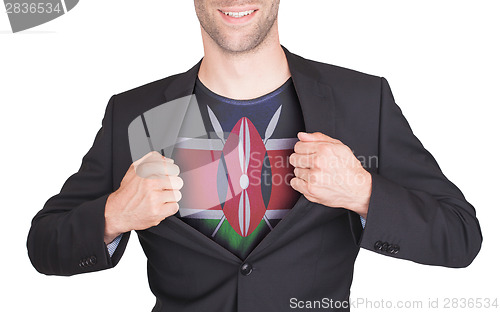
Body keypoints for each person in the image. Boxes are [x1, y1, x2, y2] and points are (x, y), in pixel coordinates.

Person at [27, 1, 482, 311]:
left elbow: (460, 236)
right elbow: (44, 245)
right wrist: (114, 215)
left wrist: (363, 192)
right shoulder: (136, 113)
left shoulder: (362, 101)